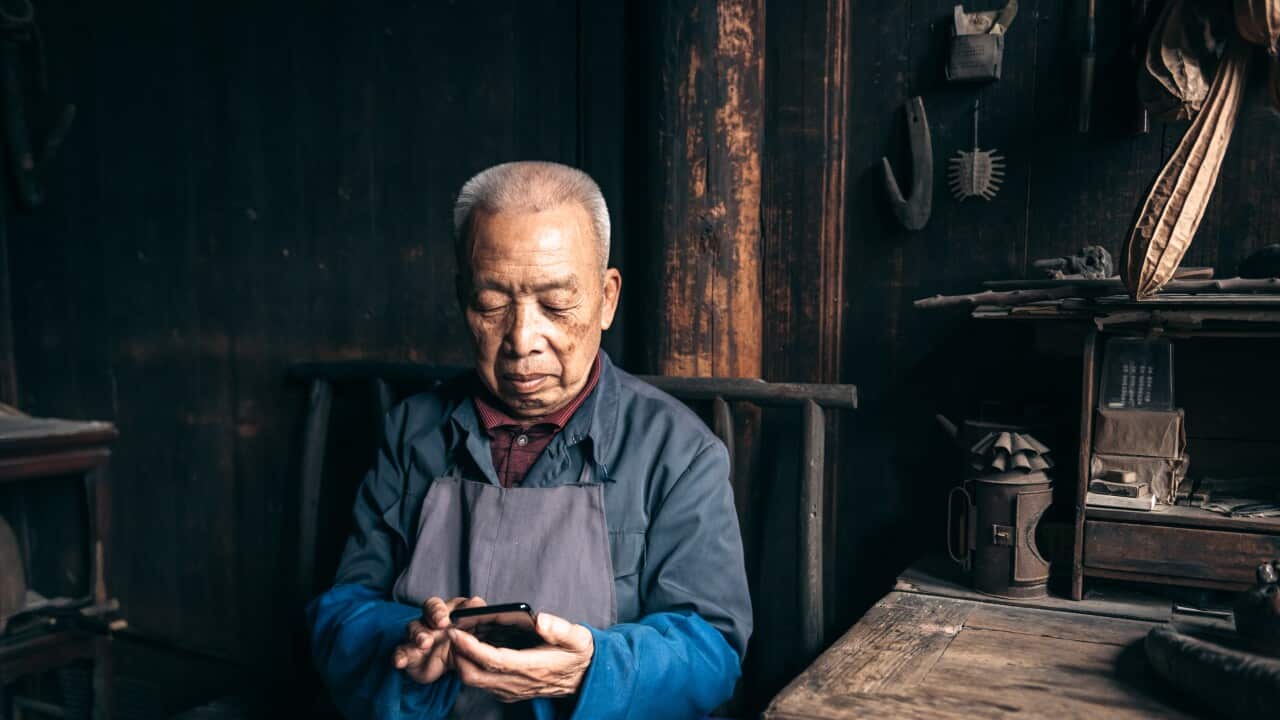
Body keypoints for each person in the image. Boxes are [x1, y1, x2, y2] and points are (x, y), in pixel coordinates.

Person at [306, 161, 752, 719]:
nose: (521, 340)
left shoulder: (679, 452)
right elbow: (339, 614)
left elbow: (710, 649)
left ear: (607, 297)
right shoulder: (410, 432)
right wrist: (411, 636)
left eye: (557, 304)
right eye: (492, 304)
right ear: (462, 298)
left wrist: (590, 670)